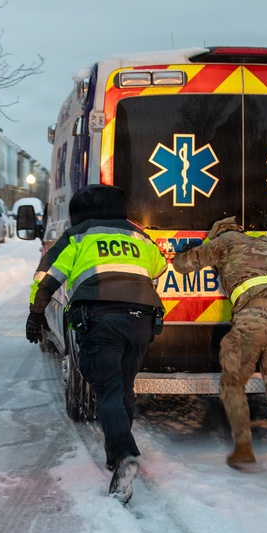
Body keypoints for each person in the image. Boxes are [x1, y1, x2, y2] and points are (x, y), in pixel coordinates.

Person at [26, 184, 166, 503]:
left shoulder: (78, 235)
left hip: (100, 317)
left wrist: (35, 314)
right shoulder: (138, 235)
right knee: (123, 387)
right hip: (142, 318)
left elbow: (46, 278)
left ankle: (123, 455)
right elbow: (159, 266)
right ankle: (118, 457)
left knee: (108, 390)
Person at [172, 217, 267, 484]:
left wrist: (178, 254)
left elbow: (184, 264)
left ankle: (243, 448)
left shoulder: (222, 243)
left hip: (252, 315)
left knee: (233, 382)